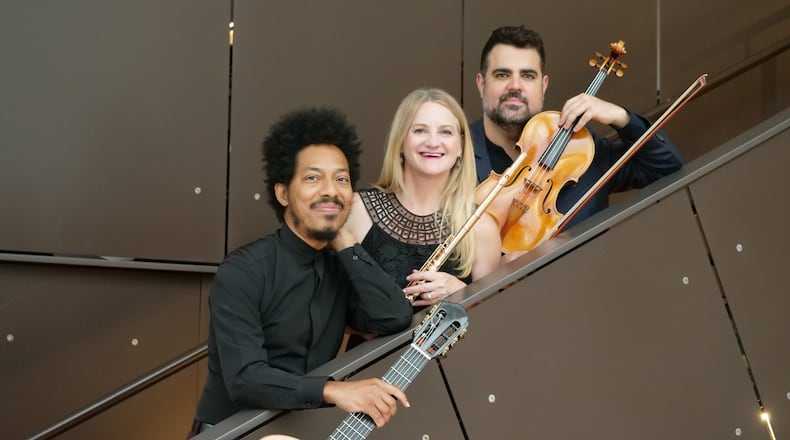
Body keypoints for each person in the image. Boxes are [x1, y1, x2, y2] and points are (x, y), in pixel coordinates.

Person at [188, 108, 413, 438]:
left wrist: (345, 241)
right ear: (283, 194)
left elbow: (394, 316)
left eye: (341, 179)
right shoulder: (242, 271)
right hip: (229, 432)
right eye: (312, 178)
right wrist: (334, 391)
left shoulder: (340, 268)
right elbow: (246, 378)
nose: (331, 190)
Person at [471, 25, 682, 236]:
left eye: (528, 76)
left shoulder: (581, 149)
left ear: (543, 86)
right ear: (481, 84)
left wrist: (621, 117)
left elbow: (665, 168)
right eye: (502, 75)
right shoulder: (452, 155)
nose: (515, 86)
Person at [343, 88, 502, 308]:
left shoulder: (481, 228)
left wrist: (463, 295)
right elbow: (327, 311)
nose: (433, 142)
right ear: (400, 142)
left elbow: (492, 323)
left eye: (446, 132)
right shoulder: (356, 210)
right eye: (420, 130)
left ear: (461, 147)